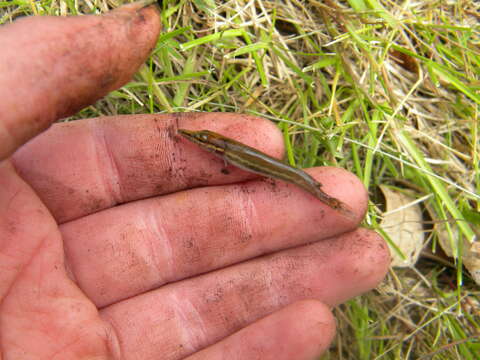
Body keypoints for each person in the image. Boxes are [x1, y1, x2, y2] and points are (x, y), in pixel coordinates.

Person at [0, 2, 390, 359]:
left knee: (301, 183)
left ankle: (331, 204)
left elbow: (226, 159)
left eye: (203, 140)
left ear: (215, 145)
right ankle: (331, 204)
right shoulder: (221, 150)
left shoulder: (226, 151)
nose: (198, 141)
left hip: (283, 176)